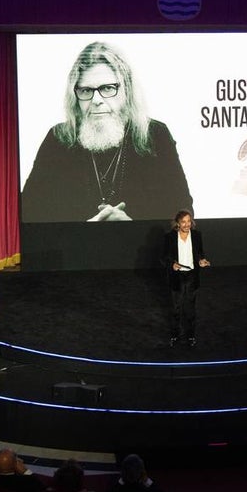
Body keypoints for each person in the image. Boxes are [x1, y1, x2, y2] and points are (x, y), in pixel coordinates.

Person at [21, 41, 193, 222]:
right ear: (75, 95)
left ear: (126, 90)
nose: (96, 100)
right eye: (86, 90)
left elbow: (183, 213)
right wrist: (84, 231)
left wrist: (134, 228)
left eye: (107, 88)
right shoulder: (58, 139)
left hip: (141, 249)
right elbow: (28, 215)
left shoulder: (156, 136)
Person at [162, 209, 209, 348]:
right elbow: (164, 257)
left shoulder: (196, 235)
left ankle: (191, 336)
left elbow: (200, 253)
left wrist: (201, 261)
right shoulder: (170, 237)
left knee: (190, 309)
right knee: (176, 309)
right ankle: (175, 336)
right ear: (178, 223)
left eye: (189, 221)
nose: (187, 224)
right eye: (183, 221)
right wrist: (172, 265)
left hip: (192, 276)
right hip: (177, 276)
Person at [101, 454, 168, 492]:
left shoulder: (114, 491)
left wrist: (121, 481)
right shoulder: (150, 491)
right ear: (142, 472)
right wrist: (147, 481)